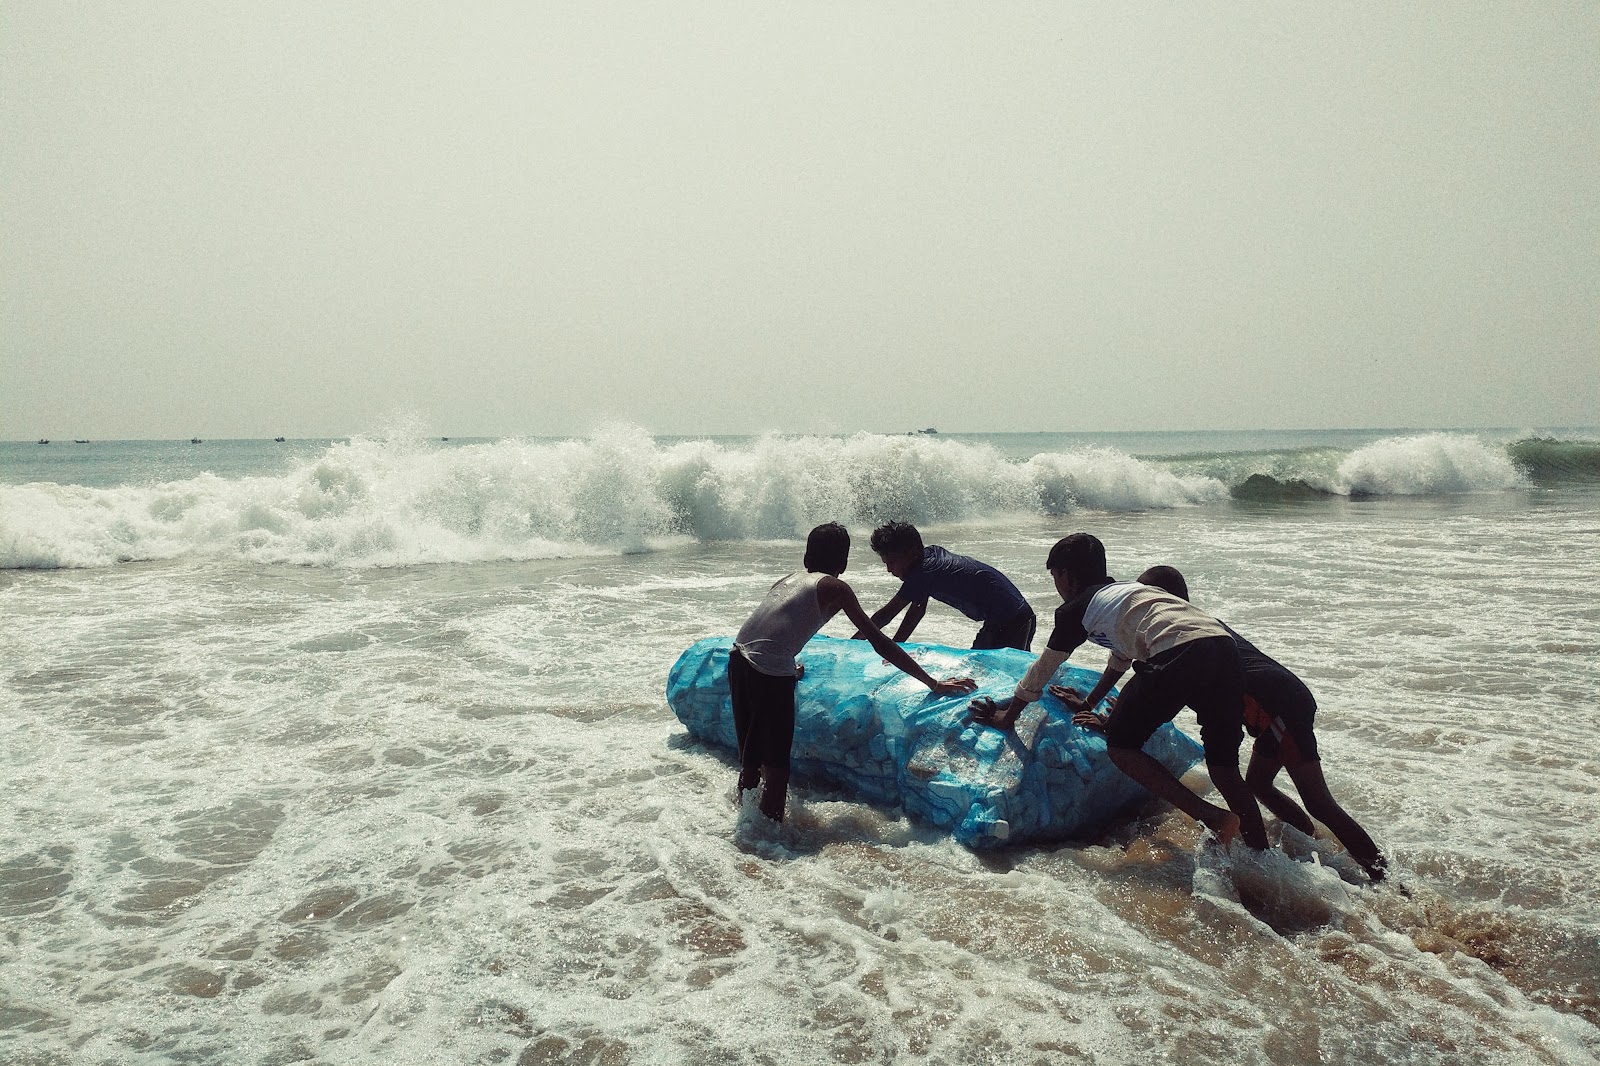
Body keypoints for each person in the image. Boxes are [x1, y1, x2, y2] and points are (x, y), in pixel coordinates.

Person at [1055, 565, 1388, 881]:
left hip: (1278, 704)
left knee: (1317, 801)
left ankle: (1383, 876)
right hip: (1283, 698)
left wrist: (1113, 721)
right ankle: (1308, 842)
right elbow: (1135, 672)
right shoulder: (1191, 626)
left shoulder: (1178, 635)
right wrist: (1099, 709)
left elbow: (1151, 682)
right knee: (1258, 783)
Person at [969, 533, 1267, 850]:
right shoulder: (1129, 594)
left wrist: (1008, 716)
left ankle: (1212, 817)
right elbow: (1120, 658)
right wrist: (1090, 703)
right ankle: (1261, 854)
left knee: (1122, 747)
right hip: (1224, 649)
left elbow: (1044, 668)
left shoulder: (1076, 609)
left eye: (1055, 576)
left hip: (1180, 651)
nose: (1057, 585)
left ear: (1066, 575)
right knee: (1224, 767)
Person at [731, 522, 977, 822]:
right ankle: (768, 838)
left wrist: (787, 667)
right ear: (844, 562)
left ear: (807, 556)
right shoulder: (836, 588)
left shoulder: (787, 580)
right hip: (768, 673)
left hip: (738, 659)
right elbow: (879, 641)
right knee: (777, 768)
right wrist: (932, 682)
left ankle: (743, 819)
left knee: (752, 756)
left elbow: (770, 632)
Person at [851, 521, 1036, 651]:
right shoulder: (928, 558)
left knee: (987, 674)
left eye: (892, 562)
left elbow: (886, 615)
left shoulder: (924, 572)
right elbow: (916, 611)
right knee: (1000, 674)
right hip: (1017, 616)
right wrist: (896, 647)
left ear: (912, 553)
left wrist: (851, 645)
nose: (889, 570)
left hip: (1009, 621)